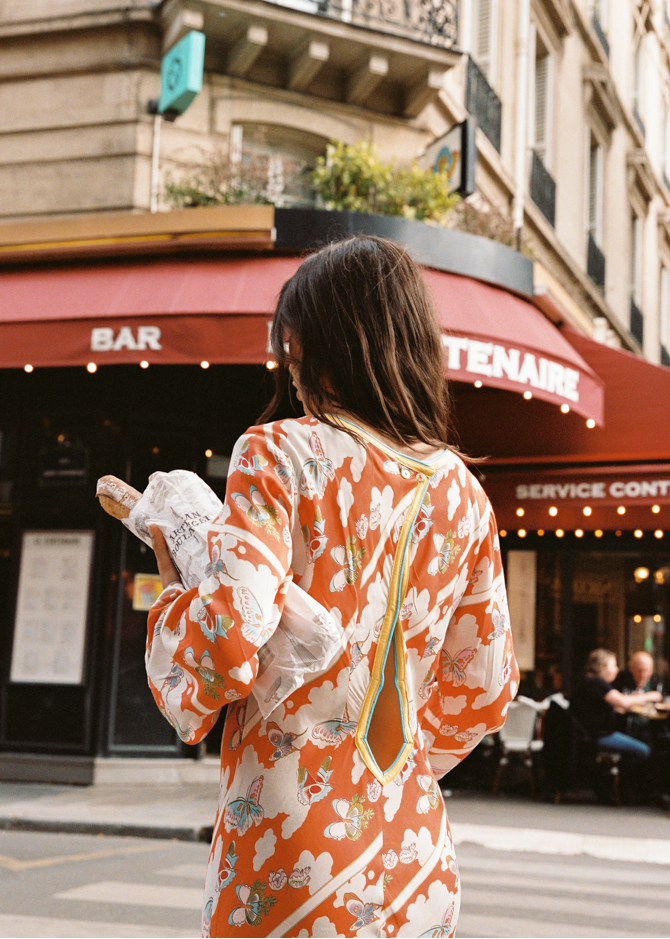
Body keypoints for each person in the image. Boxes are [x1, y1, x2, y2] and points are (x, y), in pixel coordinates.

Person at [146, 236, 518, 938]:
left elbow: (227, 637)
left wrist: (173, 599)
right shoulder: (464, 491)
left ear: (309, 345)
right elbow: (486, 688)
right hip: (417, 850)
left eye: (290, 348)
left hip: (291, 844)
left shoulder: (277, 453)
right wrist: (393, 754)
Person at [571, 649, 662, 762]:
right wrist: (650, 696)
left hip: (592, 735)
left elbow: (611, 706)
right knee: (643, 750)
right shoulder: (596, 682)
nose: (617, 670)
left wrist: (630, 699)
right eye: (613, 665)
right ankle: (628, 778)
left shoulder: (589, 681)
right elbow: (623, 702)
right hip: (598, 737)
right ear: (602, 666)